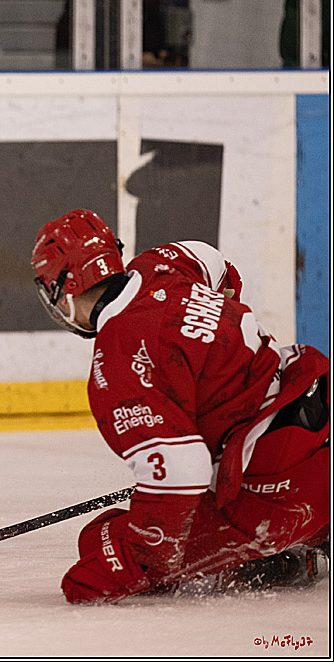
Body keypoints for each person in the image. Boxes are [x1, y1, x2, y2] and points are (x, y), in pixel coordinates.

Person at [30, 209, 329, 603]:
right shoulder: (163, 264)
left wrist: (123, 569)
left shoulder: (116, 365)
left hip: (287, 488)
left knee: (100, 539)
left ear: (62, 290)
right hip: (314, 396)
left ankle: (298, 555)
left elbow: (181, 473)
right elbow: (218, 266)